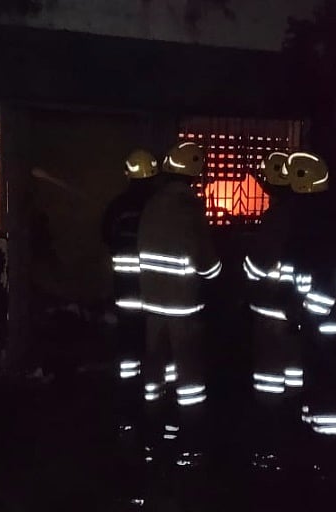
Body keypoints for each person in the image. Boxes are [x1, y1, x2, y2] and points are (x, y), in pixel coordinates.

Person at [130, 141, 220, 470]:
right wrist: (216, 275)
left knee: (156, 371)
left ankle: (153, 436)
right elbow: (207, 262)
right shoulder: (188, 208)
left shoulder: (153, 204)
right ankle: (190, 444)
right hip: (183, 306)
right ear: (194, 175)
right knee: (189, 377)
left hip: (152, 304)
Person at [284, 152, 336, 483]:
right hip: (322, 325)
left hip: (328, 327)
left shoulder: (321, 226)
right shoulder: (322, 219)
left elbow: (326, 282)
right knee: (319, 391)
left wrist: (307, 318)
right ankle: (318, 454)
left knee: (328, 394)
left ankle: (330, 462)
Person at [241, 152, 306, 472]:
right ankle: (295, 440)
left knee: (269, 381)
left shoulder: (276, 218)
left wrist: (246, 271)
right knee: (294, 374)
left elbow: (256, 265)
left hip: (270, 310)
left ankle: (270, 446)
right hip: (296, 311)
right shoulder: (306, 216)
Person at [102, 149, 161, 436]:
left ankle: (127, 405)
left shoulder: (118, 207)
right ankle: (154, 405)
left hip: (126, 293)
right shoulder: (157, 207)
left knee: (128, 350)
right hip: (153, 293)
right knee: (154, 349)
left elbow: (107, 238)